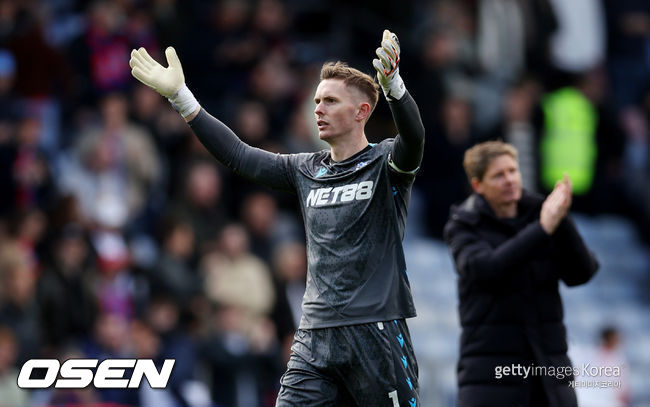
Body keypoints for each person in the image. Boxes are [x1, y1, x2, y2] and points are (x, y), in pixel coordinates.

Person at [129, 29, 424, 406]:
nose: (318, 109)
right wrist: (180, 97)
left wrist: (394, 87)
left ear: (361, 112)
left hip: (376, 331)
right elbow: (238, 154)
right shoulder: (305, 168)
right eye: (316, 101)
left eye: (330, 101)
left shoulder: (384, 163)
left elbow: (414, 139)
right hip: (315, 337)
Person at [443, 140, 599, 407]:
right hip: (491, 379)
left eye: (513, 171)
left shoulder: (540, 214)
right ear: (478, 185)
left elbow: (582, 273)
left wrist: (561, 219)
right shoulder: (463, 225)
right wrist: (542, 228)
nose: (509, 179)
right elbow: (486, 269)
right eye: (498, 175)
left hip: (549, 374)